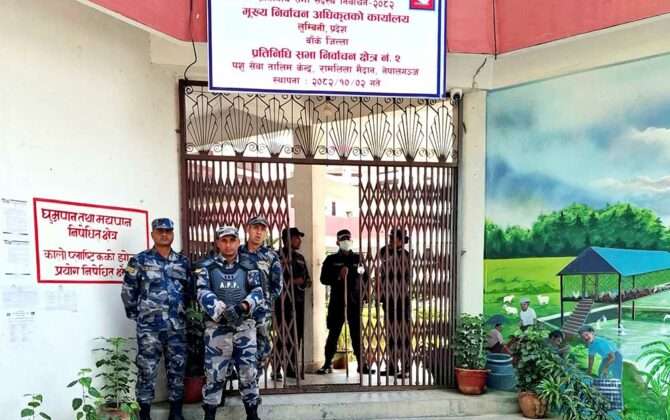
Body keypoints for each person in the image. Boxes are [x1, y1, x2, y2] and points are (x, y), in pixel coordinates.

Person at [121, 218, 190, 420]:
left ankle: (176, 413)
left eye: (168, 231)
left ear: (172, 234)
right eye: (160, 231)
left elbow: (189, 292)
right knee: (146, 370)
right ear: (152, 234)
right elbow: (128, 291)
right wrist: (139, 316)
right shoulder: (139, 261)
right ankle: (144, 414)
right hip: (149, 329)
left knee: (177, 369)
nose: (164, 234)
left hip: (176, 328)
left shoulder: (183, 262)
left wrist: (181, 313)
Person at [194, 226, 264, 420]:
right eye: (224, 240)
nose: (228, 245)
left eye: (232, 240)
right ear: (217, 243)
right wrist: (222, 310)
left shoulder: (249, 265)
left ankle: (252, 415)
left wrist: (243, 306)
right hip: (217, 329)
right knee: (214, 375)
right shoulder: (206, 267)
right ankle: (209, 415)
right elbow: (201, 291)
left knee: (249, 373)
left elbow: (258, 291)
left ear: (238, 242)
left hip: (244, 328)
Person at [317, 229, 374, 375]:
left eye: (348, 238)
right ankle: (327, 363)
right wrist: (338, 275)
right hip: (337, 302)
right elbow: (323, 279)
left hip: (354, 302)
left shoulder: (358, 258)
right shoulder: (331, 259)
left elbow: (366, 278)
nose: (346, 241)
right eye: (343, 239)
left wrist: (366, 294)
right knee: (333, 334)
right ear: (337, 242)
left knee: (356, 334)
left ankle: (362, 364)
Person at [238, 216, 283, 379]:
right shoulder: (237, 253)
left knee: (261, 345)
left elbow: (277, 284)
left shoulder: (270, 256)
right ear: (248, 229)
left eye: (262, 229)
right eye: (255, 228)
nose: (258, 232)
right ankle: (239, 377)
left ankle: (254, 379)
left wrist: (267, 301)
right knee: (238, 344)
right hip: (240, 309)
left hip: (261, 311)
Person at [275, 227, 310, 378]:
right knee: (283, 334)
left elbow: (307, 279)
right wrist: (292, 281)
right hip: (283, 302)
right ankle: (276, 367)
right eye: (296, 238)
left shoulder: (300, 258)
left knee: (296, 335)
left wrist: (304, 282)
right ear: (287, 240)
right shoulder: (276, 256)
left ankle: (290, 367)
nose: (299, 241)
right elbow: (273, 279)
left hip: (298, 301)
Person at [377, 229, 412, 377]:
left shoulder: (405, 255)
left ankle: (406, 367)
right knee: (390, 332)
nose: (391, 240)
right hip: (389, 299)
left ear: (401, 240)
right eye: (390, 237)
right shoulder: (385, 251)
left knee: (403, 334)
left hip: (402, 299)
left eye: (394, 238)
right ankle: (392, 366)